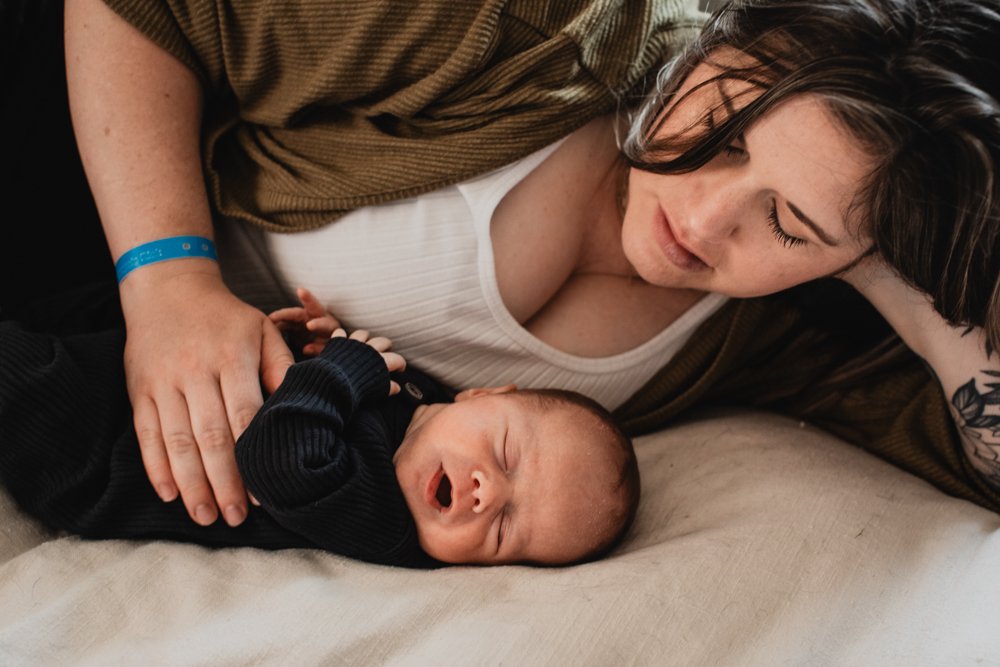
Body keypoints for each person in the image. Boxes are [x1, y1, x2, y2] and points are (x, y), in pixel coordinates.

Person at [49, 0, 1000, 529]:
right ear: (727, 35)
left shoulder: (777, 329)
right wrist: (167, 277)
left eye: (787, 224)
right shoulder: (517, 28)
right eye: (724, 125)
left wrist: (903, 275)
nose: (702, 218)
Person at [0, 287, 639, 567]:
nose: (487, 492)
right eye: (505, 451)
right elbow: (349, 382)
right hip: (140, 360)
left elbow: (276, 461)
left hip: (94, 448)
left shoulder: (386, 522)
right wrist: (321, 347)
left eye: (503, 531)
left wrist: (341, 370)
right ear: (485, 393)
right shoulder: (427, 400)